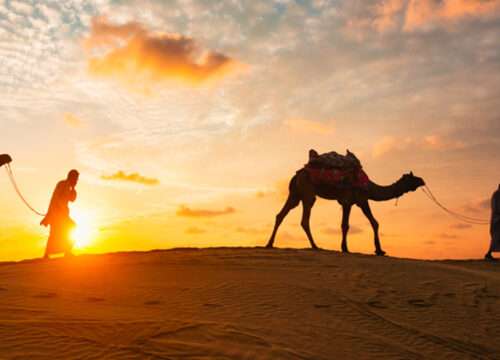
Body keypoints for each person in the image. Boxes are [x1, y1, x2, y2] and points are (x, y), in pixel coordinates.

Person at [40, 170, 79, 259]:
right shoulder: (62, 184)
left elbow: (72, 199)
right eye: (76, 179)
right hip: (57, 213)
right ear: (71, 177)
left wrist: (73, 188)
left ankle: (64, 251)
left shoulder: (69, 187)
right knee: (57, 232)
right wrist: (49, 215)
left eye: (77, 179)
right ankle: (50, 254)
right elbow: (55, 198)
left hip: (62, 214)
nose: (76, 181)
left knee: (62, 231)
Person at [485, 185, 500, 261]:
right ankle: (488, 254)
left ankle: (488, 254)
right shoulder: (496, 195)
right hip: (496, 221)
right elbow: (496, 208)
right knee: (496, 238)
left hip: (497, 220)